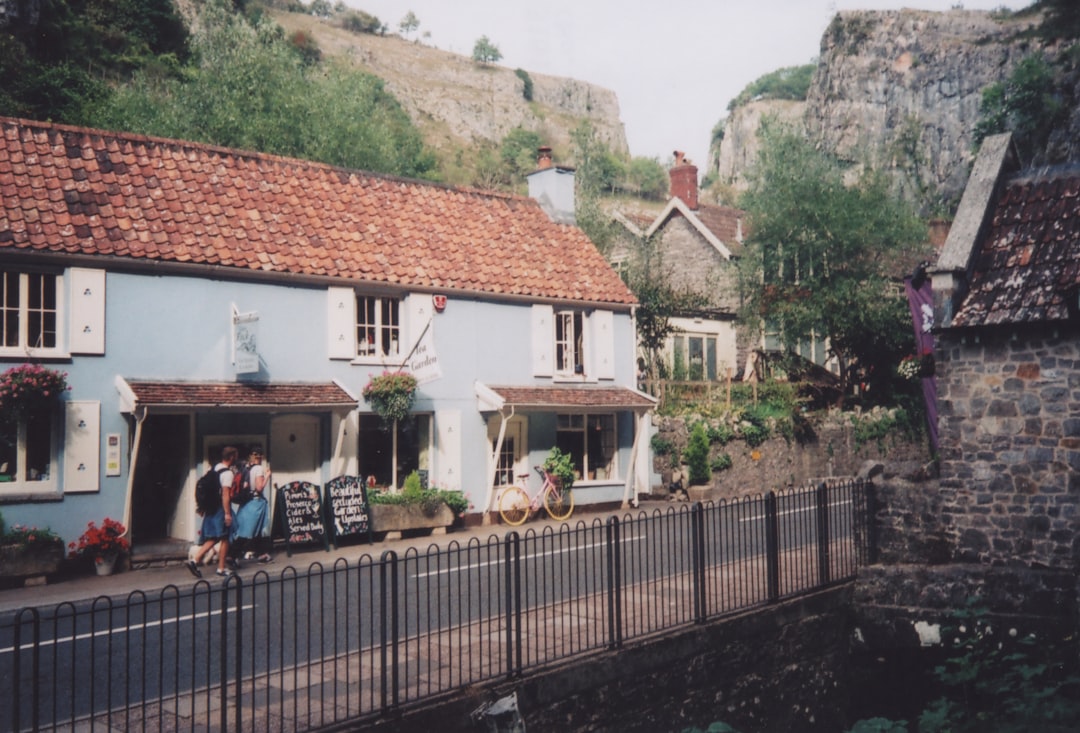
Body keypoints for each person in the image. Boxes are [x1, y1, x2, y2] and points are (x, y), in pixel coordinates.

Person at [185, 445, 238, 579]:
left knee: (215, 537)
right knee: (225, 537)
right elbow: (225, 495)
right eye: (235, 456)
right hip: (220, 508)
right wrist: (227, 514)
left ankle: (195, 560)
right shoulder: (227, 473)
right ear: (231, 457)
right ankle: (220, 568)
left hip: (211, 507)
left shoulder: (214, 468)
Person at [228, 448, 273, 566]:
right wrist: (267, 476)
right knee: (248, 530)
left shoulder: (247, 467)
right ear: (260, 457)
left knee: (255, 529)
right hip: (255, 503)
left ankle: (262, 553)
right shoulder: (258, 469)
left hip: (246, 501)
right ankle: (232, 555)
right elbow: (259, 488)